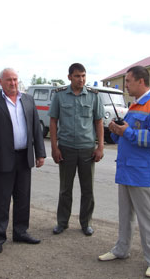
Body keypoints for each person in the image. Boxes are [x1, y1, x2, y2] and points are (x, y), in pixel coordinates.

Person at [98, 66, 150, 278]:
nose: (126, 85)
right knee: (125, 214)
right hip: (126, 168)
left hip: (141, 171)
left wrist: (126, 131)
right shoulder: (135, 106)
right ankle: (121, 249)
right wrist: (116, 130)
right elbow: (127, 135)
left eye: (128, 81)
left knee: (148, 218)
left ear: (140, 81)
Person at [0, 68, 46, 254]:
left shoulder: (28, 100)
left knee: (23, 197)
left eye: (15, 79)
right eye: (8, 80)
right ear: (1, 82)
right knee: (1, 200)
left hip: (24, 156)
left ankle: (20, 231)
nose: (13, 83)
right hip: (2, 157)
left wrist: (40, 153)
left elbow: (36, 130)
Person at [49, 63, 104, 236]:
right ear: (69, 77)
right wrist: (54, 147)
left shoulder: (94, 96)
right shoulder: (59, 96)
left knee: (88, 189)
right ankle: (62, 222)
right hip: (66, 149)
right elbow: (53, 121)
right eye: (77, 76)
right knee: (65, 189)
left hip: (87, 149)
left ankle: (86, 223)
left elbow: (99, 122)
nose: (81, 79)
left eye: (83, 76)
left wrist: (100, 147)